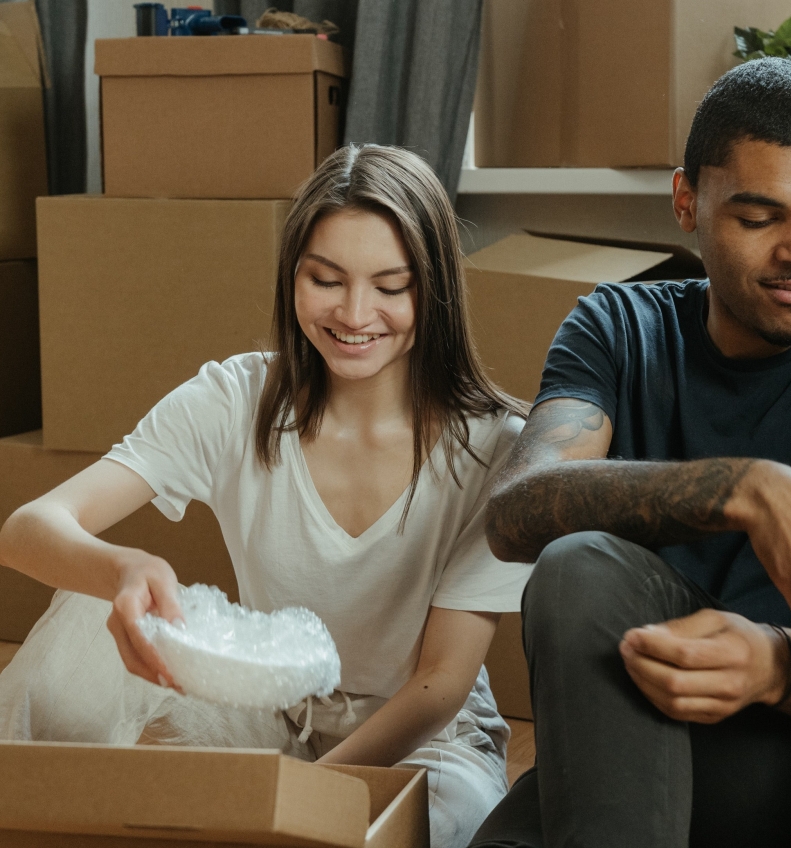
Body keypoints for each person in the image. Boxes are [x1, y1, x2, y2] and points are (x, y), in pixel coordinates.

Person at [0, 144, 531, 848]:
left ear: (431, 289)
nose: (354, 312)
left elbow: (441, 680)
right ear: (292, 278)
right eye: (326, 279)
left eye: (390, 285)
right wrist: (122, 570)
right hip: (269, 713)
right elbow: (28, 529)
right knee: (81, 632)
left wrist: (296, 804)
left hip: (427, 741)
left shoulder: (498, 447)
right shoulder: (234, 400)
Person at [470, 58, 791, 848]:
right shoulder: (617, 326)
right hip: (620, 741)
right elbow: (515, 512)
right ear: (686, 203)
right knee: (580, 565)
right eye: (761, 217)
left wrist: (773, 663)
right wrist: (738, 488)